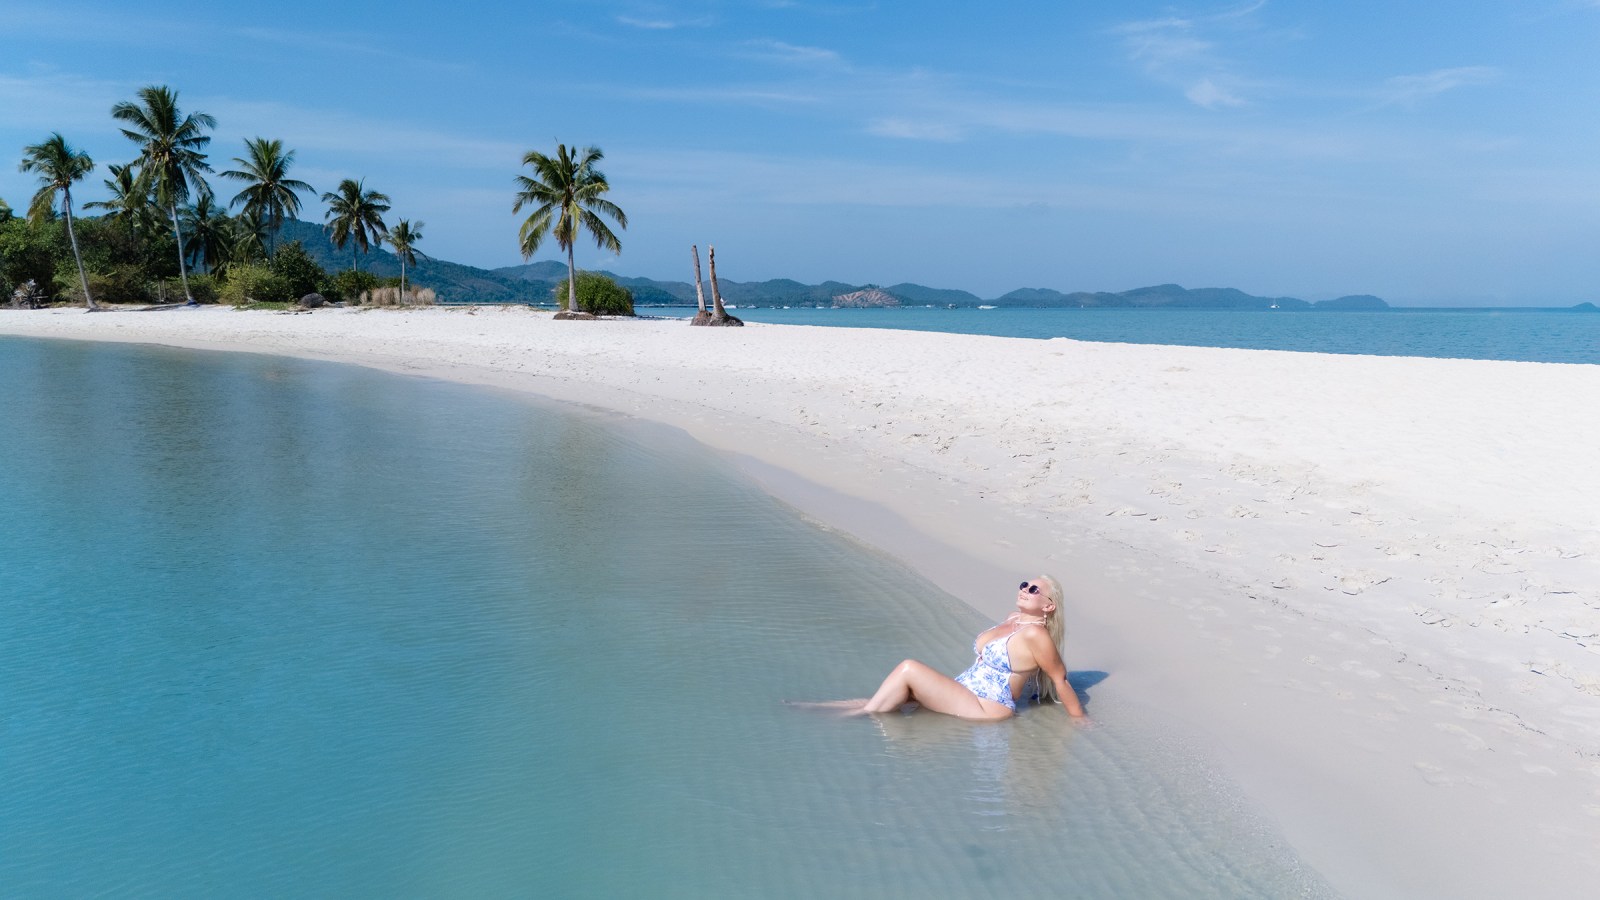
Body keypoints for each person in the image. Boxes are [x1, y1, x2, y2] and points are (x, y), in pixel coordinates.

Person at [851, 575, 1089, 721]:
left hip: (988, 705)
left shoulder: (1035, 635)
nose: (1025, 590)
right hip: (965, 691)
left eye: (1034, 590)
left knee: (908, 669)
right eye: (1025, 585)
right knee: (884, 699)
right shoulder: (1012, 618)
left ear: (1048, 607)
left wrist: (1079, 721)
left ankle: (855, 720)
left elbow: (1060, 679)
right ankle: (827, 711)